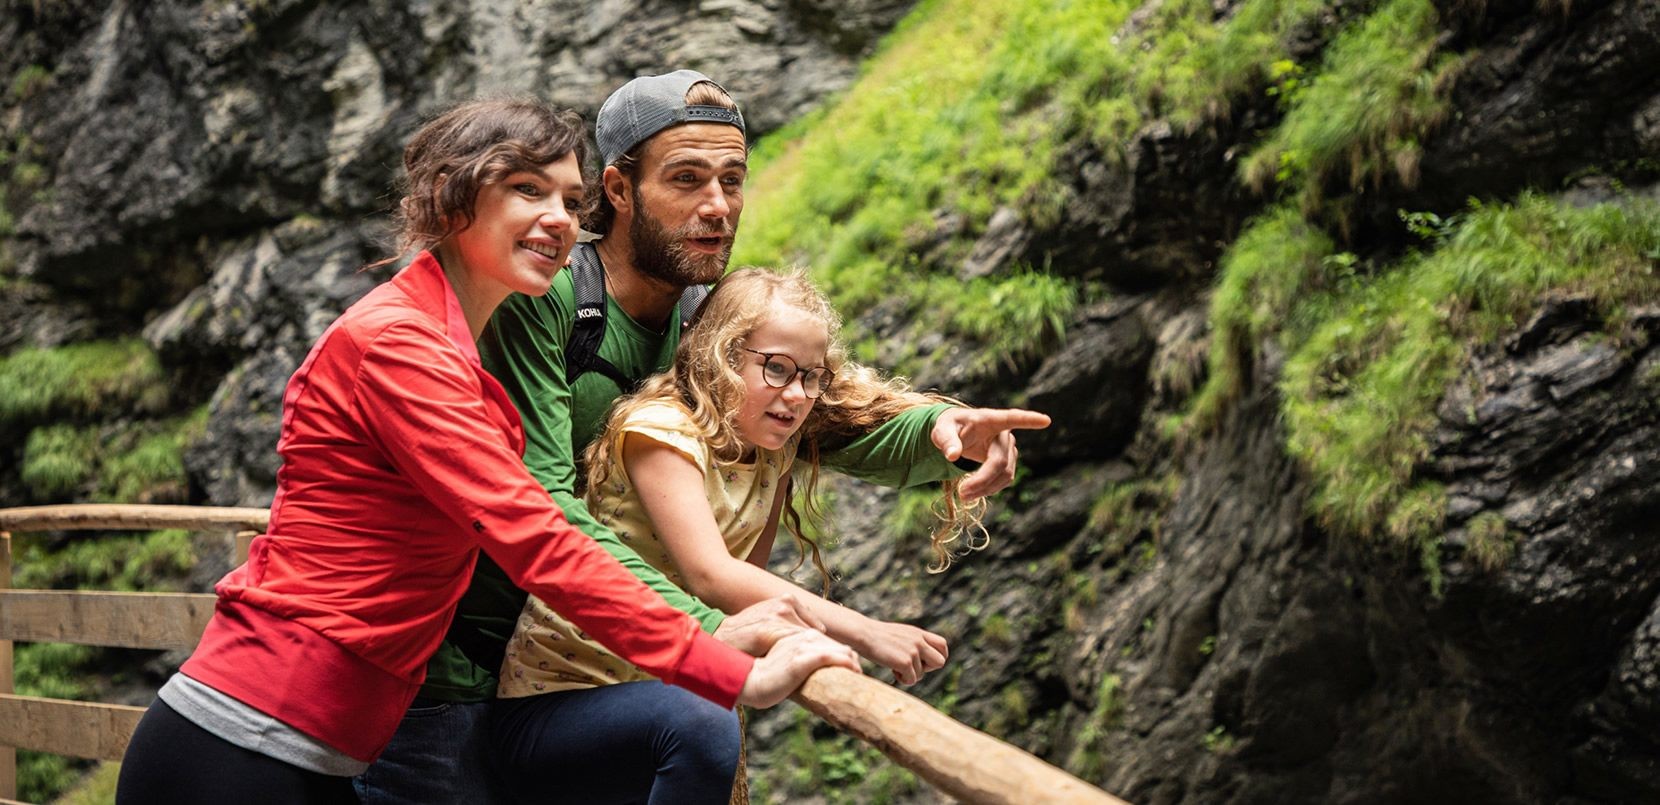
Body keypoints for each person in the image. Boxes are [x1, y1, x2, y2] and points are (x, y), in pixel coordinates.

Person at [114, 98, 859, 805]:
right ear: (450, 198)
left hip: (314, 749)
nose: (559, 219)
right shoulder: (400, 348)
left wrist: (932, 431)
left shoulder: (449, 340)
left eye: (571, 200)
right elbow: (537, 535)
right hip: (243, 744)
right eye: (527, 190)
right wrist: (725, 670)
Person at [357, 71, 1050, 803]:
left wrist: (939, 429)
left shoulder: (707, 317)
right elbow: (543, 503)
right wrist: (704, 632)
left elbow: (815, 414)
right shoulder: (547, 297)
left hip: (608, 668)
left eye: (733, 179)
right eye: (687, 179)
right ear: (619, 190)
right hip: (456, 679)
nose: (717, 206)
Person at [491, 268, 992, 803]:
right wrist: (863, 631)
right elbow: (715, 576)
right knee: (706, 720)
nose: (797, 393)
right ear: (721, 359)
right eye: (776, 369)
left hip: (663, 694)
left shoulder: (773, 452)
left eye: (812, 376)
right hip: (561, 703)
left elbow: (747, 581)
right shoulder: (659, 432)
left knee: (706, 718)